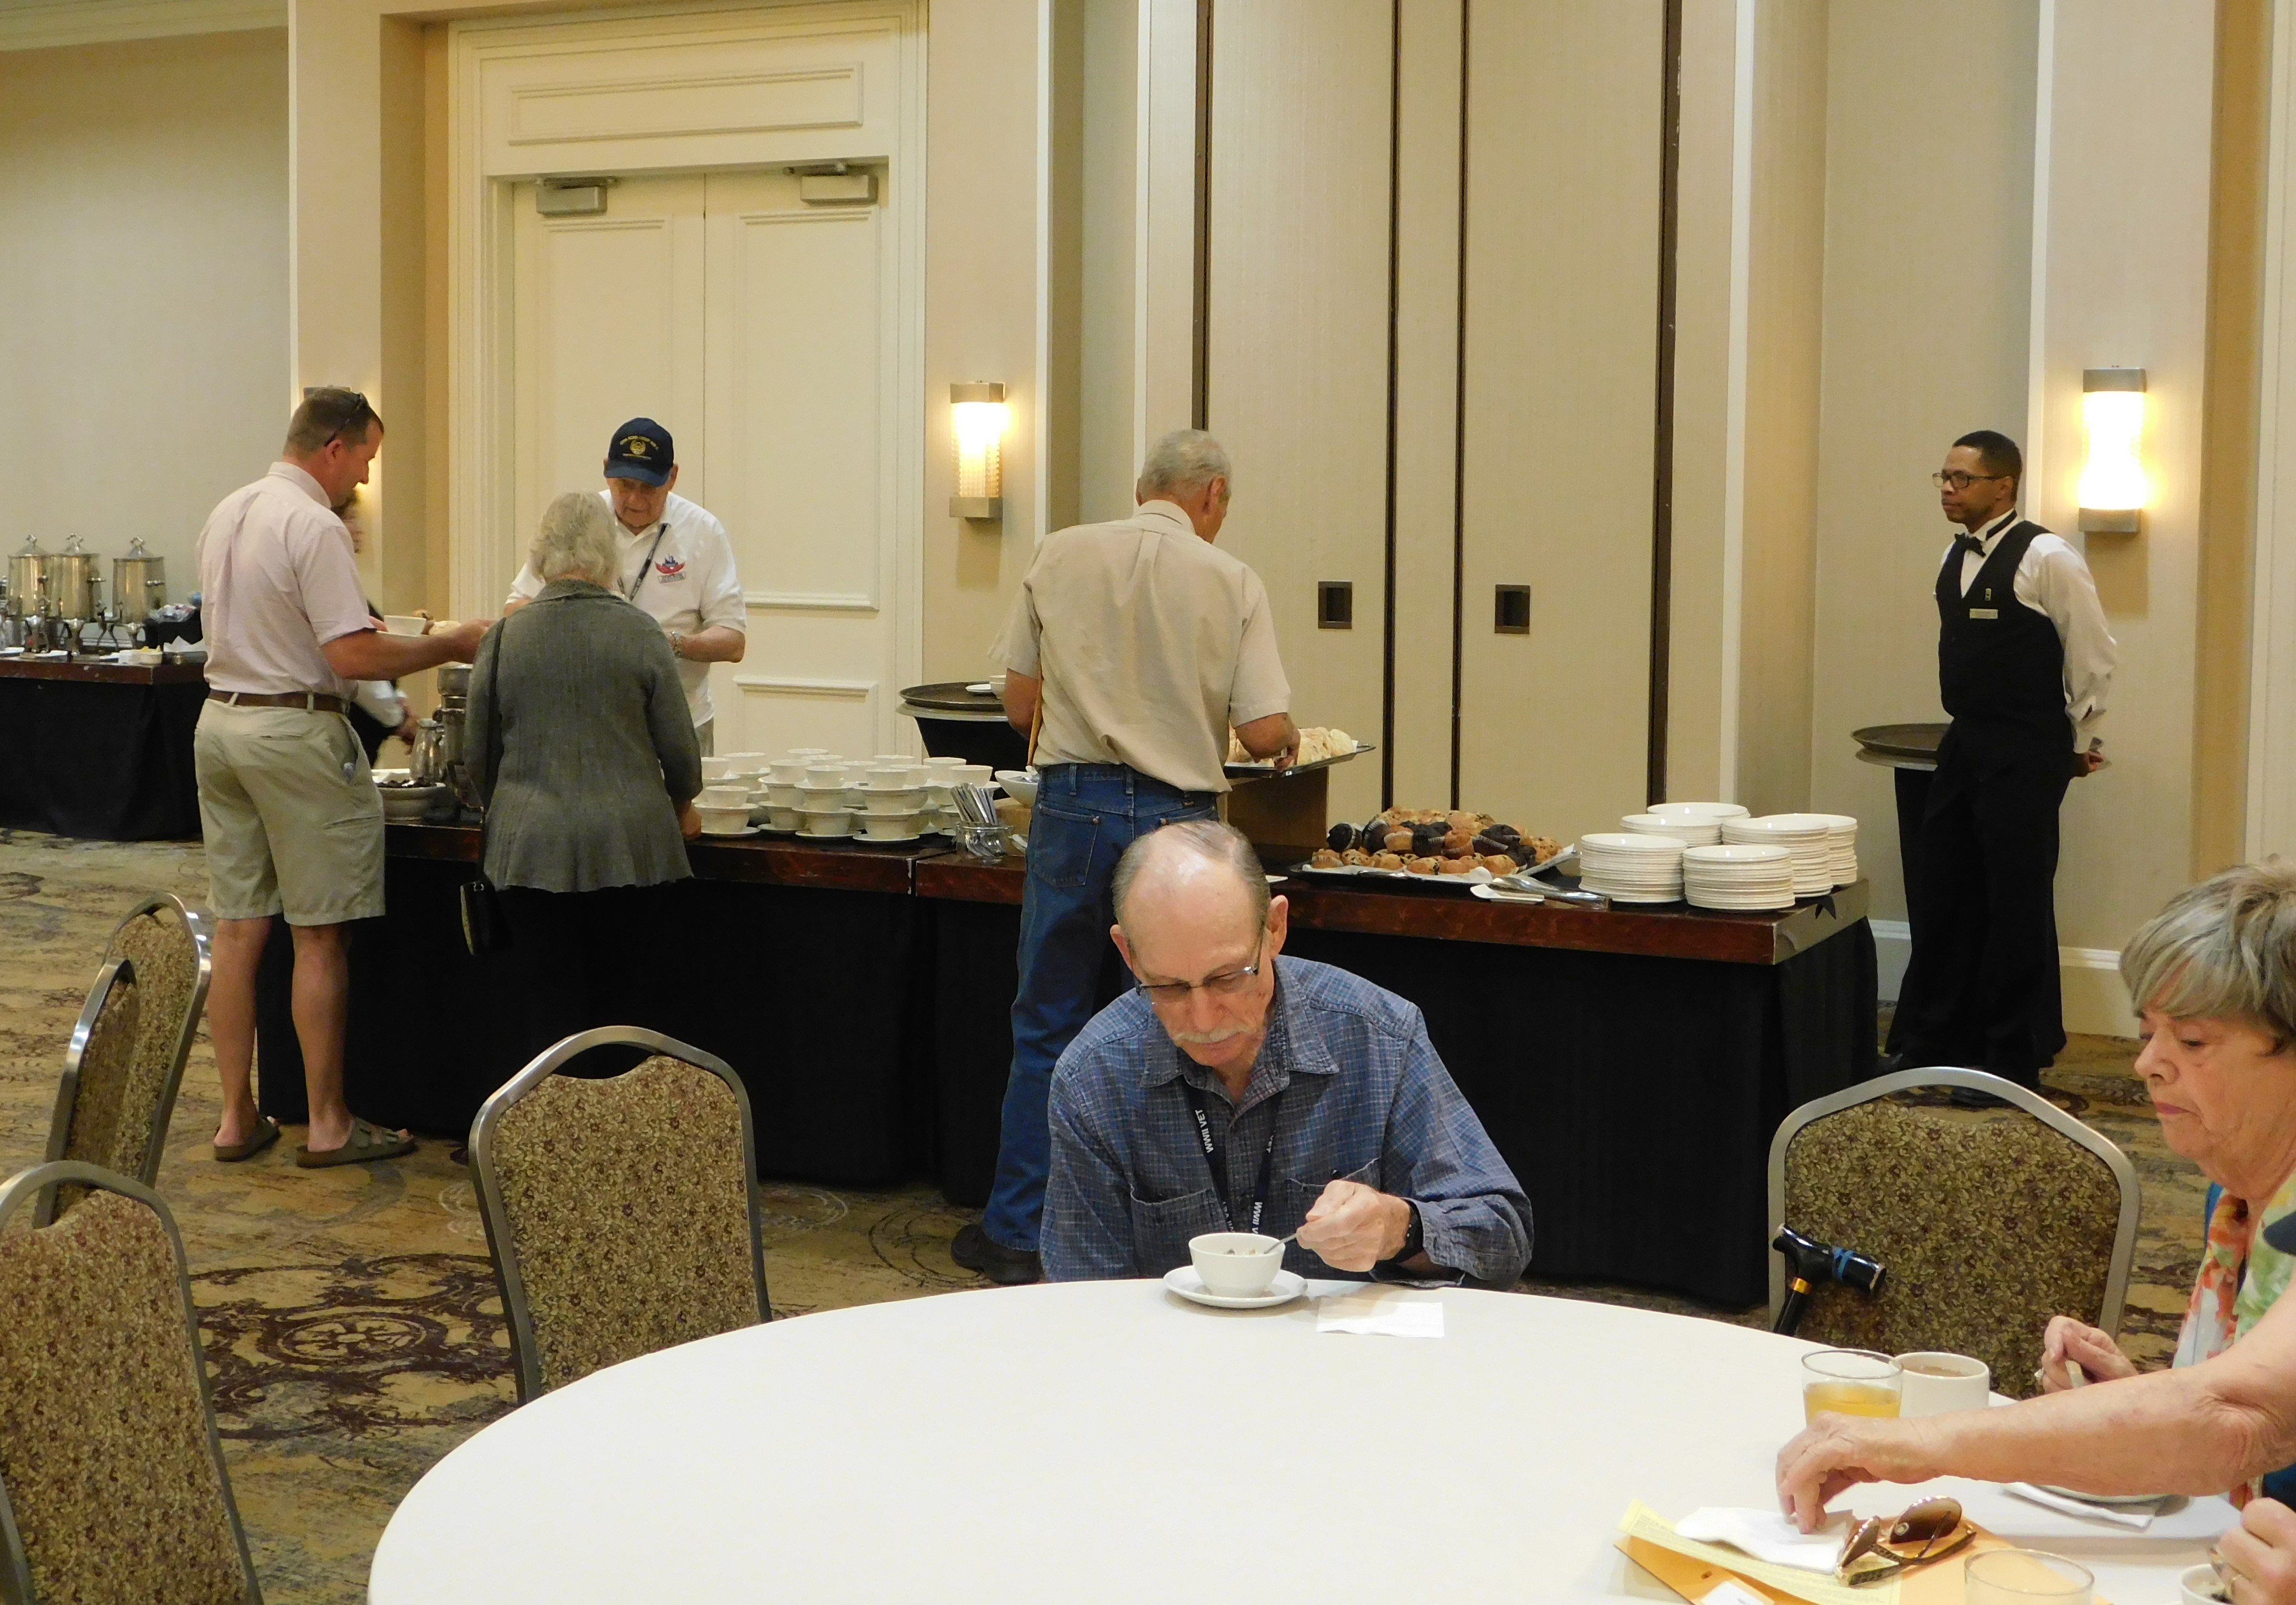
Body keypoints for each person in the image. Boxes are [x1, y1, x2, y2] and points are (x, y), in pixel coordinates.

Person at [1776, 861, 2296, 1598]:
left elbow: (2237, 1418)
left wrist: (1913, 1445)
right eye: (2148, 1033)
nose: (2147, 1064)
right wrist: (2136, 1400)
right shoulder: (2239, 1196)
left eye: (2191, 1041)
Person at [954, 429, 1300, 1286]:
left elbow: (1020, 704)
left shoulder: (1059, 553)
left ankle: (1018, 1229)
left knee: (1047, 1023)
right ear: (1212, 496)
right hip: (1178, 820)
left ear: (1142, 488)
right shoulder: (1231, 579)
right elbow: (1261, 731)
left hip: (1072, 808)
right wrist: (1288, 739)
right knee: (1176, 1026)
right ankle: (1167, 1234)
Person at [1040, 820, 1533, 1286]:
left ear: (1274, 928)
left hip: (1343, 1344)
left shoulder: (1377, 1036)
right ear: (1128, 955)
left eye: (1227, 978)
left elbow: (1504, 1235)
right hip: (1171, 1346)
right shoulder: (1095, 1075)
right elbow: (1082, 1298)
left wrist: (1398, 1229)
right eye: (1168, 986)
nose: (1204, 1020)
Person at [195, 387, 487, 1168]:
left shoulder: (229, 510)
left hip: (220, 723)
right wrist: (451, 642)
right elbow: (351, 657)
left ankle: (235, 1116)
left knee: (238, 928)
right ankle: (327, 1122)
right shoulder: (314, 523)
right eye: (364, 458)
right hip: (293, 733)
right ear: (334, 447)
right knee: (319, 933)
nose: (363, 477)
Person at [1886, 429, 2116, 1098]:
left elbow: (2092, 653)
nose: (1948, 489)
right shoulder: (1951, 555)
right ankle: (1932, 1043)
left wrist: (2082, 740)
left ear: (2003, 485)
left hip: (2027, 749)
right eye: (1943, 477)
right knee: (1945, 893)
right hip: (1964, 744)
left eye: (1962, 479)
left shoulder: (2048, 557)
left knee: (2014, 904)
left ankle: (2008, 1060)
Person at [467, 492, 704, 1063]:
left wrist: (508, 810)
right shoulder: (641, 633)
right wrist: (681, 804)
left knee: (549, 1011)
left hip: (530, 852)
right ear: (608, 555)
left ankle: (551, 1118)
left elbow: (478, 755)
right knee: (630, 1014)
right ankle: (623, 1117)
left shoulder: (503, 639)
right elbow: (681, 754)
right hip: (633, 849)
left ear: (540, 555)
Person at [501, 418, 744, 754]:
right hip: (590, 724)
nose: (634, 500)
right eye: (624, 485)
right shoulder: (579, 520)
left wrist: (669, 643)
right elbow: (514, 610)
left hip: (680, 721)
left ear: (672, 477)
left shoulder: (704, 530)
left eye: (649, 488)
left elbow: (733, 642)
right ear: (606, 470)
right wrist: (579, 626)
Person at [331, 489, 420, 763]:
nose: (359, 528)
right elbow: (360, 671)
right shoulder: (334, 587)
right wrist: (400, 719)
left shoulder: (346, 582)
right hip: (346, 736)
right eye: (350, 518)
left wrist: (399, 698)